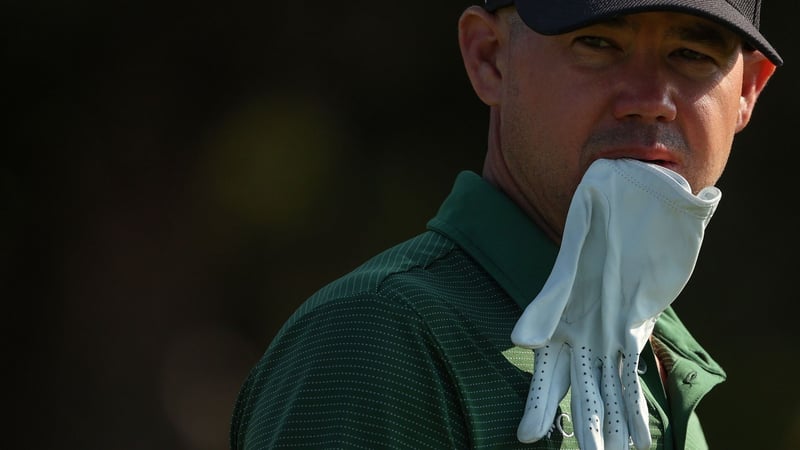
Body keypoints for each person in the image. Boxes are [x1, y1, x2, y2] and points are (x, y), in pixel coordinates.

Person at [230, 0, 781, 448]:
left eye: (690, 52)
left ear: (748, 91)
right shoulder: (376, 340)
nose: (650, 101)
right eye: (597, 43)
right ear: (490, 58)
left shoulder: (657, 351)